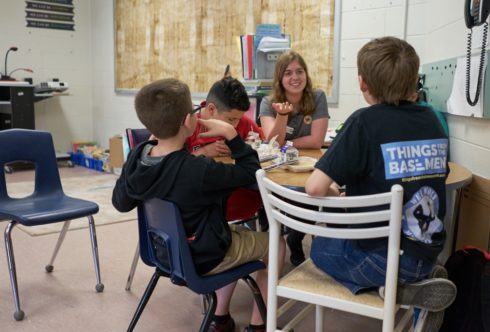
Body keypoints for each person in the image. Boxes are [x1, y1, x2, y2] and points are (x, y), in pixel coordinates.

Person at [304, 37, 456, 331]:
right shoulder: (431, 119)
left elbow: (314, 188)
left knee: (319, 248)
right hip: (427, 250)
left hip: (382, 260)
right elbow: (431, 174)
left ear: (363, 84)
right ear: (414, 80)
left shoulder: (363, 121)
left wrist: (336, 191)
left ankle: (396, 289)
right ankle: (418, 278)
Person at [112, 78, 280, 332]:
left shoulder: (138, 155)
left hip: (162, 251)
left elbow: (120, 203)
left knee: (234, 234)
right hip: (202, 255)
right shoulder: (198, 170)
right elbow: (251, 171)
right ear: (187, 121)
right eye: (192, 109)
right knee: (277, 243)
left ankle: (221, 319)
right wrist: (231, 134)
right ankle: (259, 325)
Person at [258, 50, 329, 266]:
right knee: (269, 196)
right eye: (288, 73)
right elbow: (273, 144)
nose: (295, 77)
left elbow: (316, 141)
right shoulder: (268, 102)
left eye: (300, 71)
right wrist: (281, 116)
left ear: (306, 75)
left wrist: (286, 144)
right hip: (279, 168)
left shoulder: (317, 97)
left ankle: (296, 238)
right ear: (280, 78)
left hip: (308, 167)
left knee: (313, 197)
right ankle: (276, 238)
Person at [186, 77, 265, 223]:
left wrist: (240, 148)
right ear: (211, 109)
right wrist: (203, 152)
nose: (234, 126)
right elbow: (174, 167)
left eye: (238, 120)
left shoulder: (241, 121)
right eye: (230, 120)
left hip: (242, 196)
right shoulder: (189, 126)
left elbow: (264, 145)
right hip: (203, 205)